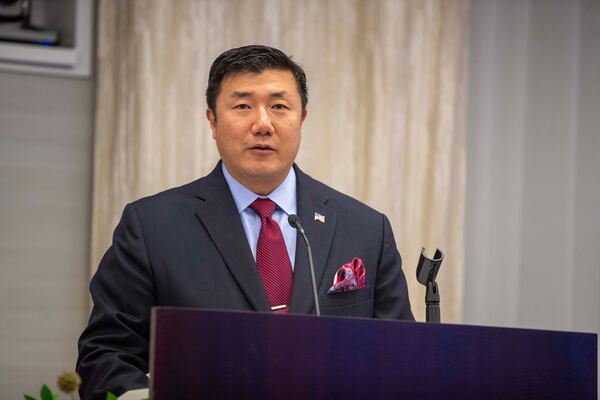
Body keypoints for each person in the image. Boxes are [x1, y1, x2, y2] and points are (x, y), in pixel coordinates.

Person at [77, 45, 414, 399]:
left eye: (280, 106)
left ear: (301, 119)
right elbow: (106, 354)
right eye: (242, 106)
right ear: (212, 120)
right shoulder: (151, 226)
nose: (263, 124)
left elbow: (400, 358)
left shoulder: (365, 229)